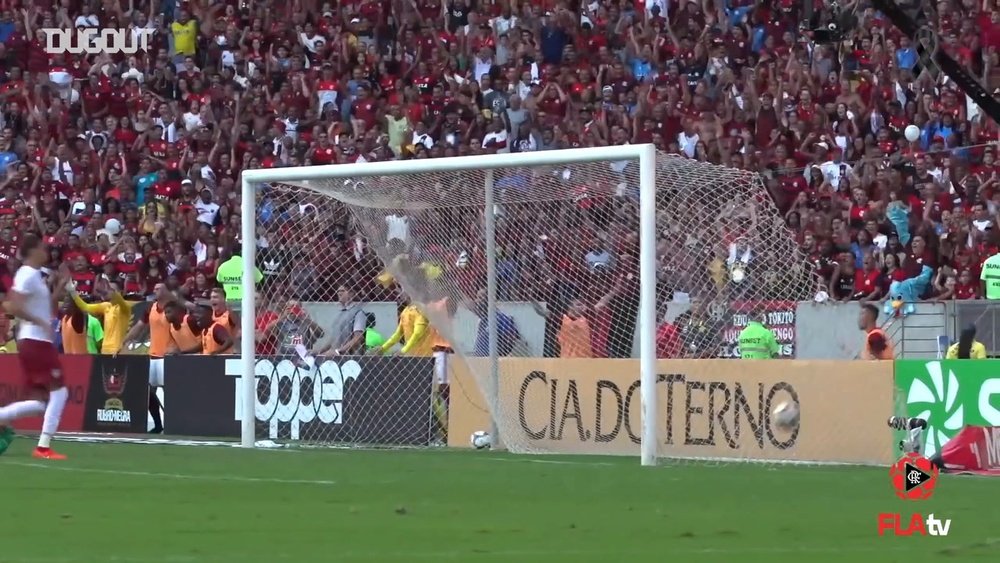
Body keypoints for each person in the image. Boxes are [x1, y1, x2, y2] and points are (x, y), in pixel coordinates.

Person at [0, 234, 71, 459]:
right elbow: (11, 304)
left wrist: (59, 286)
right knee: (60, 392)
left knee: (41, 403)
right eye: (42, 248)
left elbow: (46, 307)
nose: (46, 252)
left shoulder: (36, 276)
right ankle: (43, 446)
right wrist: (37, 321)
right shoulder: (26, 274)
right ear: (32, 251)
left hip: (37, 341)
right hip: (35, 341)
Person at [118, 283, 174, 434]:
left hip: (168, 356)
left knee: (169, 392)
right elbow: (139, 326)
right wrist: (124, 342)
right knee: (148, 393)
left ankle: (173, 424)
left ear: (167, 290)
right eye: (154, 288)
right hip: (153, 355)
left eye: (159, 288)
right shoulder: (151, 308)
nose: (155, 291)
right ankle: (157, 424)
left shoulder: (174, 308)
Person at [70, 281, 135, 355]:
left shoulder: (125, 308)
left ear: (120, 292)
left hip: (117, 350)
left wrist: (113, 293)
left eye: (111, 289)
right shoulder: (106, 306)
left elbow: (119, 300)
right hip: (104, 349)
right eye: (108, 289)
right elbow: (85, 307)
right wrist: (72, 291)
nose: (108, 291)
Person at [312, 285, 367, 357]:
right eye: (338, 291)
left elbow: (358, 337)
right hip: (336, 357)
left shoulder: (358, 312)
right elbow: (333, 339)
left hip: (350, 358)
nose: (339, 293)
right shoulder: (339, 314)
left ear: (351, 293)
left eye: (342, 291)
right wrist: (319, 352)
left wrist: (339, 351)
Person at [377, 291, 433, 357]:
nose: (400, 295)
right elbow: (398, 334)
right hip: (411, 354)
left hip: (423, 355)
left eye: (404, 292)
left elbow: (418, 333)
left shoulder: (419, 311)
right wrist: (383, 348)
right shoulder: (405, 311)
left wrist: (403, 350)